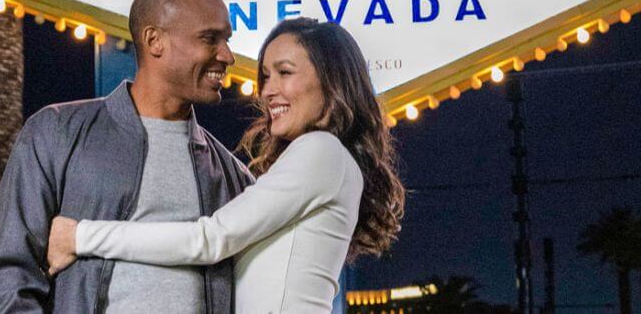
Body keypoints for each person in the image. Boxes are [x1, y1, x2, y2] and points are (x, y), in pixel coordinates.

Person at [46, 17, 406, 313]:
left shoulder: (321, 151)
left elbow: (210, 238)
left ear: (331, 81)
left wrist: (79, 235)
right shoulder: (324, 158)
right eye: (266, 75)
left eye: (285, 72)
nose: (267, 90)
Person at [0, 0, 254, 313]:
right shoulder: (56, 133)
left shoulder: (231, 175)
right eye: (210, 39)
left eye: (226, 40)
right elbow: (8, 278)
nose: (227, 56)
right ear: (155, 40)